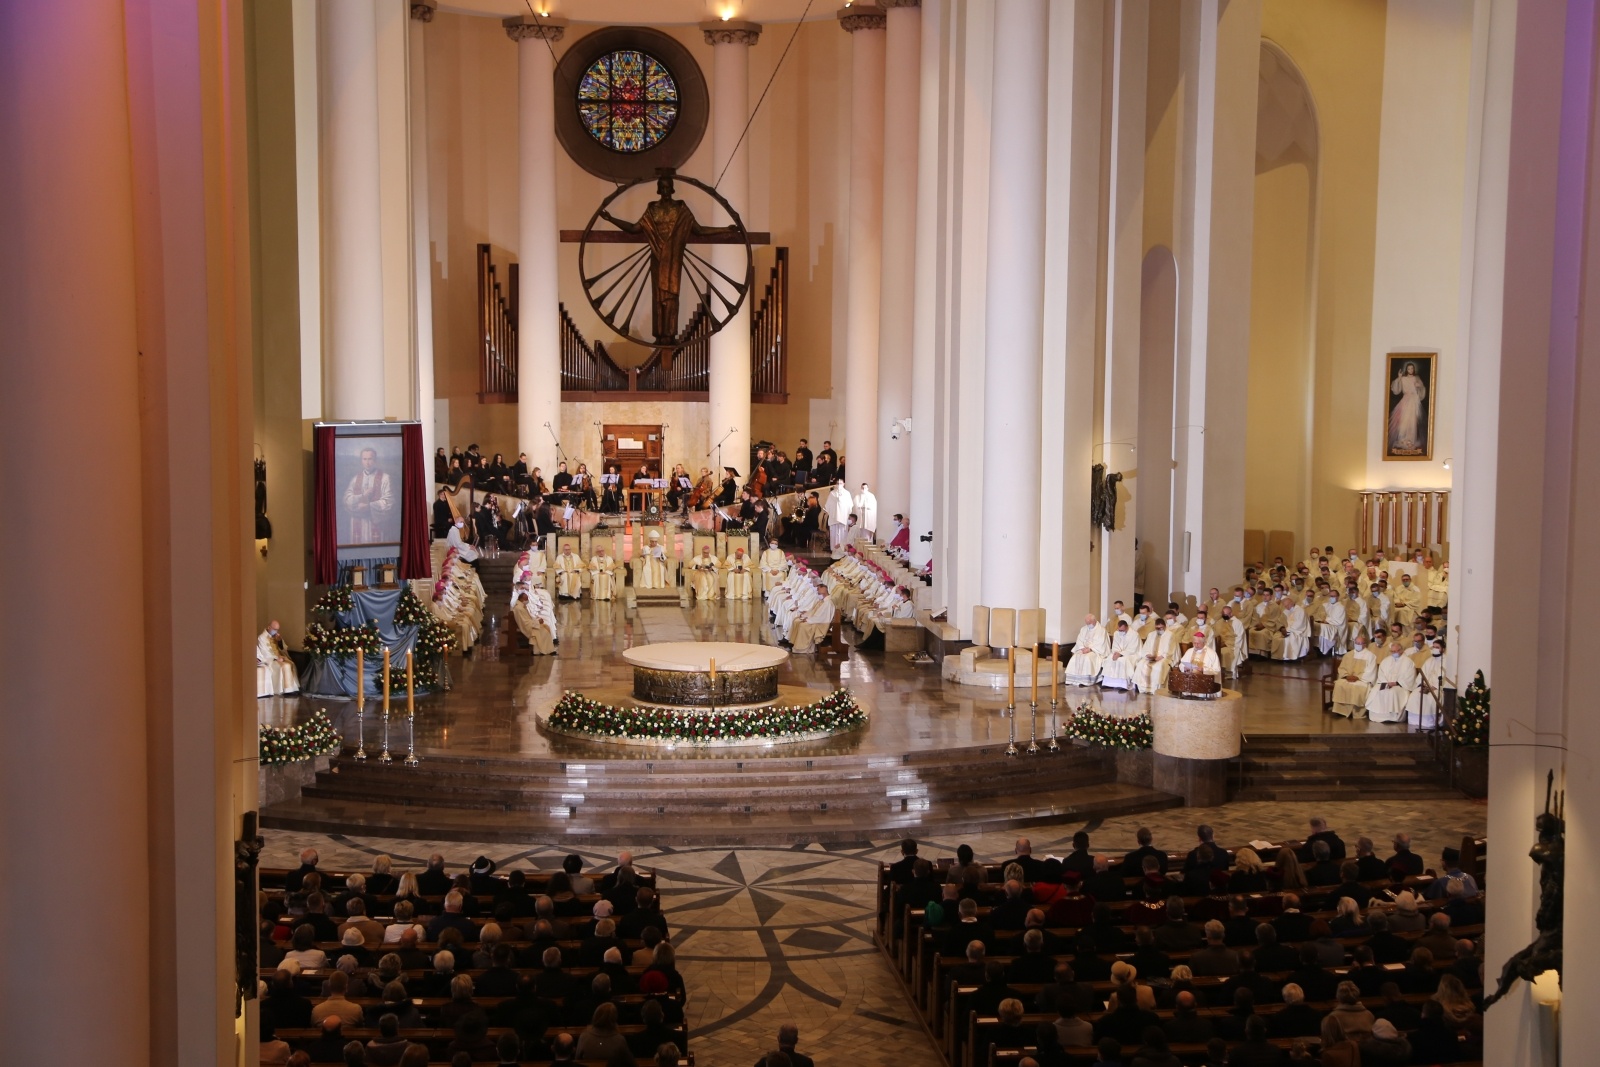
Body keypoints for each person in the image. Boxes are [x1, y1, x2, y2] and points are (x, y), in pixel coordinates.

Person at [342, 446, 395, 543]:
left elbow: (389, 501)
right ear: (361, 461)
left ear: (375, 460)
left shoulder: (385, 478)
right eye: (364, 459)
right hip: (358, 521)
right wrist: (362, 496)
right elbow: (347, 499)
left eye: (370, 459)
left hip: (376, 521)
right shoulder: (355, 479)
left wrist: (369, 506)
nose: (367, 462)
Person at [1364, 641, 1416, 722]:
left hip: (1400, 686)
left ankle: (1392, 717)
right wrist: (1386, 683)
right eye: (1393, 651)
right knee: (1376, 690)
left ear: (1401, 650)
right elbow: (1381, 674)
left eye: (1397, 651)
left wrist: (1396, 683)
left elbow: (1409, 676)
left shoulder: (1408, 662)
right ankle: (1378, 716)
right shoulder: (1386, 660)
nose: (1395, 653)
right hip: (1386, 683)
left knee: (1392, 692)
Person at [1330, 637, 1377, 717]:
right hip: (1348, 678)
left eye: (1360, 643)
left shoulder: (1371, 656)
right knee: (1339, 684)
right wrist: (1346, 676)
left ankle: (1355, 712)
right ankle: (1340, 710)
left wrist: (1357, 677)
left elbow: (1371, 671)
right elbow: (1342, 668)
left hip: (1362, 680)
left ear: (1365, 644)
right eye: (1357, 643)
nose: (1358, 645)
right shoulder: (1348, 654)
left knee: (1357, 687)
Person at [257, 621, 299, 697]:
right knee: (285, 666)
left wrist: (279, 641)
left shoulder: (276, 636)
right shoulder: (261, 637)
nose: (275, 631)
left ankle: (292, 688)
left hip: (280, 658)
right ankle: (286, 690)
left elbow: (284, 648)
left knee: (290, 664)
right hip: (270, 660)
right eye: (274, 629)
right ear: (269, 627)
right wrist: (276, 658)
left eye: (277, 629)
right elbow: (265, 652)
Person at [1064, 614, 1109, 686]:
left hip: (1095, 651)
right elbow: (1079, 640)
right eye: (1087, 623)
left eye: (1089, 623)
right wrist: (1082, 648)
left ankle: (1086, 681)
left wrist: (1090, 649)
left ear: (1094, 621)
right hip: (1084, 649)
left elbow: (1101, 643)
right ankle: (1073, 680)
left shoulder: (1101, 630)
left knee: (1087, 658)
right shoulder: (1083, 629)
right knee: (1075, 657)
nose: (1088, 625)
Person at [1100, 621, 1141, 690]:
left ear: (1127, 627)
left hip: (1131, 654)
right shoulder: (1116, 633)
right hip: (1118, 653)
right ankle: (1107, 683)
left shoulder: (1134, 634)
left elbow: (1132, 649)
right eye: (1119, 630)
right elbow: (1115, 646)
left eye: (1122, 630)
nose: (1120, 632)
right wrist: (1116, 653)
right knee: (1110, 658)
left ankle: (1124, 685)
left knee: (1123, 660)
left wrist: (1121, 654)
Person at [826, 479, 853, 555]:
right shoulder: (832, 493)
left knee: (842, 535)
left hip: (843, 518)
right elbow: (828, 505)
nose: (839, 485)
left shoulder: (847, 493)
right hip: (834, 519)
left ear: (844, 484)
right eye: (837, 483)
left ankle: (842, 552)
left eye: (840, 483)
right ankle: (834, 551)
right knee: (834, 536)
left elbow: (850, 505)